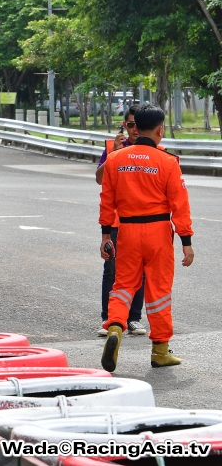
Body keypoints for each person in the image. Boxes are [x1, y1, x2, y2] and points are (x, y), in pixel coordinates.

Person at [99, 104, 194, 372]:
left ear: (135, 128)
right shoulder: (167, 161)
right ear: (160, 130)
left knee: (123, 285)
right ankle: (160, 351)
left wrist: (106, 234)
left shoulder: (115, 159)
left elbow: (107, 201)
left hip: (126, 231)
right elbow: (180, 206)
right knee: (159, 292)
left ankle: (116, 325)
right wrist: (186, 242)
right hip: (158, 232)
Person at [95, 105, 147, 337]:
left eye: (138, 124)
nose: (134, 129)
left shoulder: (153, 150)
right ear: (124, 126)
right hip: (116, 220)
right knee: (112, 269)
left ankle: (134, 318)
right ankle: (109, 319)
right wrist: (114, 154)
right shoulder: (111, 147)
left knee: (141, 270)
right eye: (130, 125)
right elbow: (99, 179)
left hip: (145, 220)